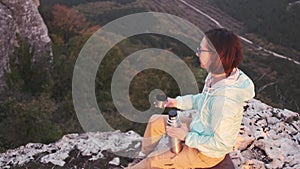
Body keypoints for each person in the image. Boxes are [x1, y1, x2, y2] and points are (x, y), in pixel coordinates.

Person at [125, 28, 255, 169]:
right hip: (200, 125)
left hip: (205, 154)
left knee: (153, 163)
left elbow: (222, 144)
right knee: (155, 121)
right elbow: (203, 99)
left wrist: (186, 137)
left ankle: (145, 163)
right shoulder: (217, 75)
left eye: (201, 50)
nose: (197, 53)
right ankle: (142, 156)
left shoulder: (225, 102)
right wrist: (175, 102)